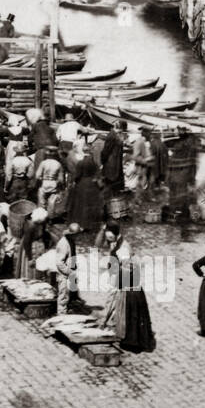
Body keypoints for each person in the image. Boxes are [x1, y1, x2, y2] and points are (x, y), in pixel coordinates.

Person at [94, 223, 156, 353]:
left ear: (115, 235)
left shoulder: (124, 248)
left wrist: (119, 281)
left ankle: (111, 326)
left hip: (124, 282)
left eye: (110, 237)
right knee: (113, 303)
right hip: (118, 277)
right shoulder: (114, 241)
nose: (108, 240)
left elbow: (128, 269)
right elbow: (98, 244)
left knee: (118, 305)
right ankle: (109, 324)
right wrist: (102, 230)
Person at [68, 148, 104, 233]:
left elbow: (77, 175)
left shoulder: (81, 162)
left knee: (81, 205)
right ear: (90, 152)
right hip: (92, 185)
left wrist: (75, 181)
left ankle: (82, 224)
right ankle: (91, 224)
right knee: (91, 205)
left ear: (83, 152)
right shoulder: (94, 163)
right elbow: (98, 174)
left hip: (82, 185)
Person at [100, 123, 127, 196]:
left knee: (112, 184)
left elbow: (106, 151)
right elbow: (106, 151)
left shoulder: (115, 135)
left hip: (114, 163)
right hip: (111, 163)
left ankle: (111, 200)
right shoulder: (112, 135)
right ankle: (104, 201)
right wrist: (103, 160)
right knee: (109, 184)